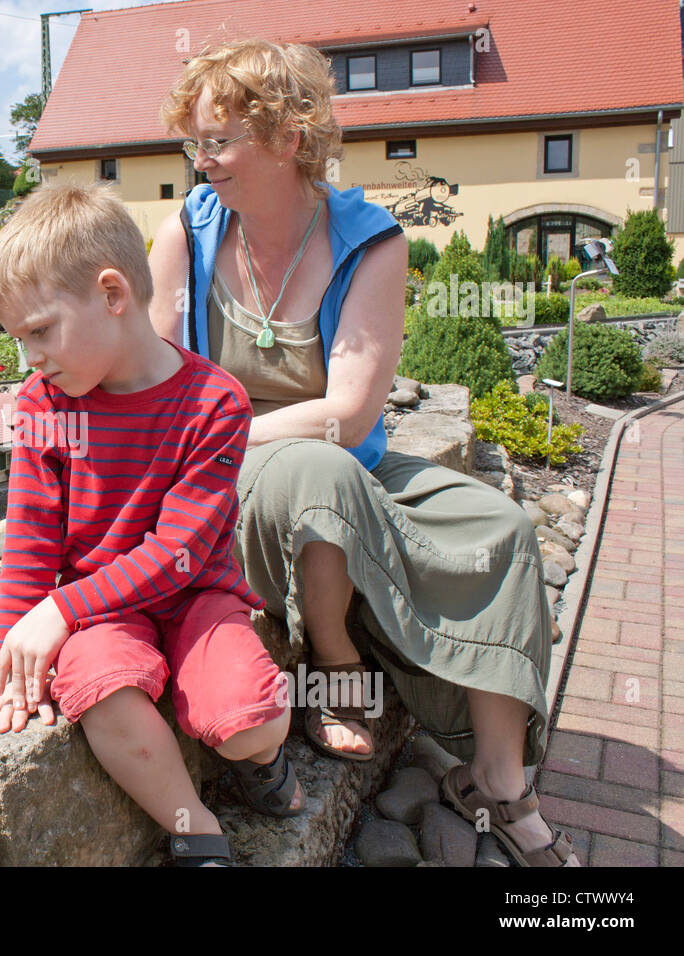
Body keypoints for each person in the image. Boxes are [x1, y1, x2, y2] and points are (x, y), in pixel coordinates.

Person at [147, 38, 576, 866]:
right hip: (226, 476)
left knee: (501, 526)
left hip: (333, 453)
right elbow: (161, 383)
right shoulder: (186, 234)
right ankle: (337, 676)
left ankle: (495, 778)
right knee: (319, 473)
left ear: (289, 137)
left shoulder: (371, 240)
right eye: (192, 142)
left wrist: (230, 426)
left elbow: (346, 415)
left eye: (218, 141)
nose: (200, 161)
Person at [0, 181, 300, 866]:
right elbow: (32, 536)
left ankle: (258, 758)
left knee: (253, 720)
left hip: (192, 597)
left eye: (39, 331)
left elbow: (180, 551)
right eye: (17, 339)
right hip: (103, 619)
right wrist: (12, 649)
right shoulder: (43, 405)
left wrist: (60, 608)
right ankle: (196, 828)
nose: (28, 358)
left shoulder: (214, 403)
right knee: (102, 693)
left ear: (112, 294)